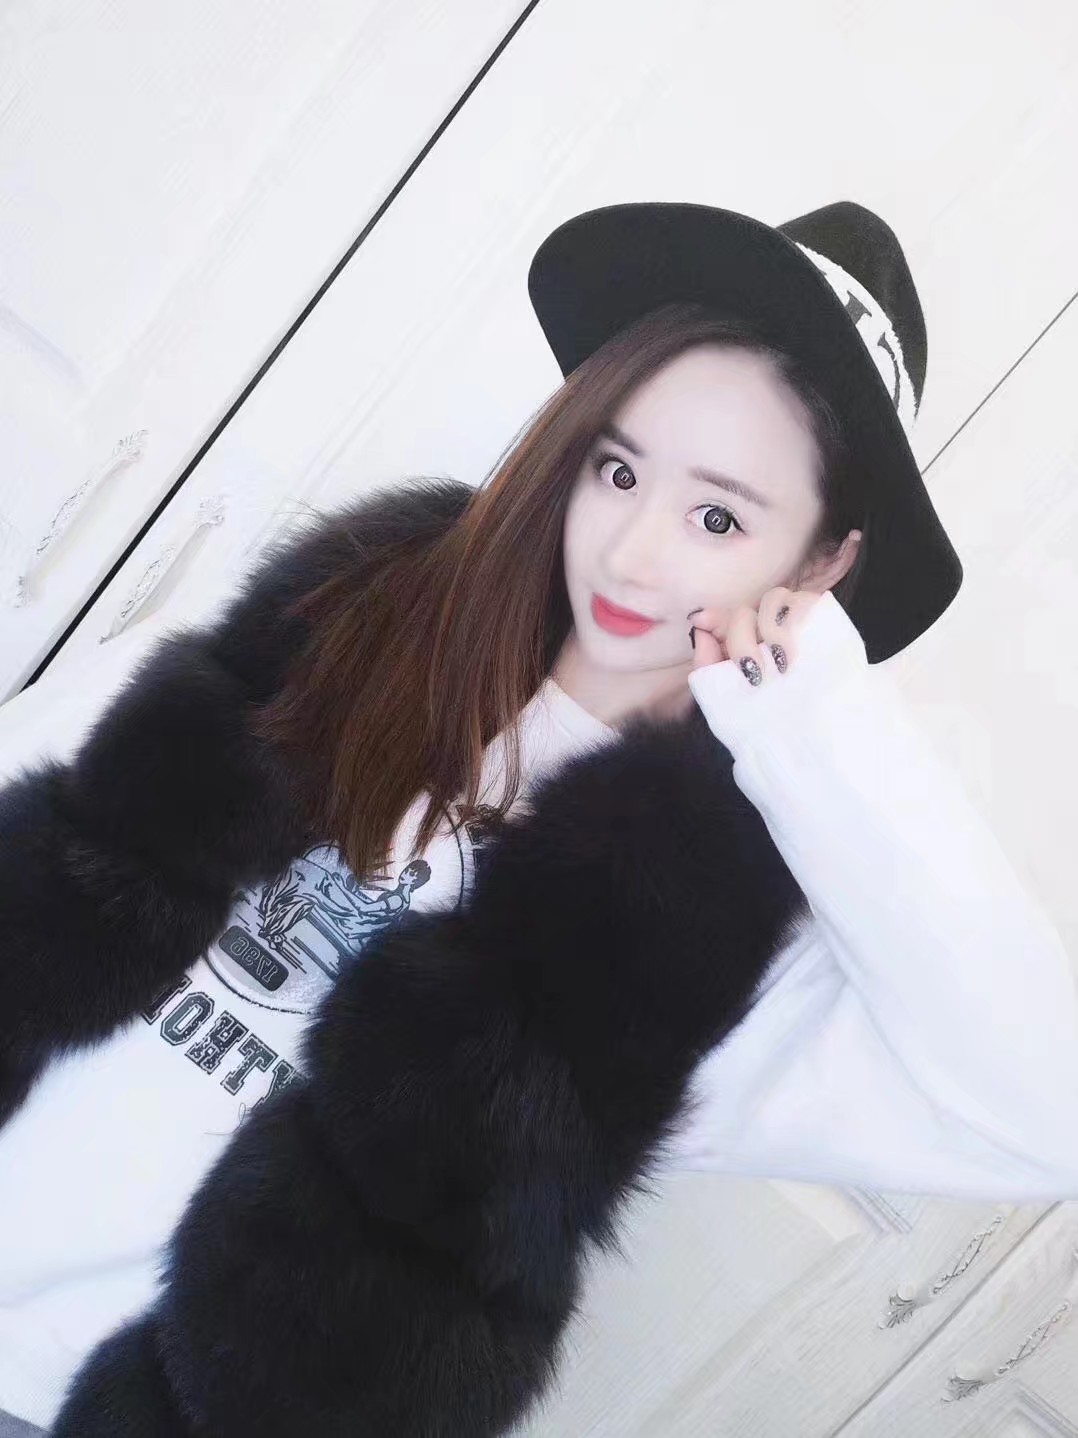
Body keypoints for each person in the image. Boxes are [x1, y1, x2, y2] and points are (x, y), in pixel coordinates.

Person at [1, 201, 1075, 1436]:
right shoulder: (340, 620)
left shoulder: (704, 939)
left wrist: (814, 709)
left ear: (822, 565)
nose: (629, 554)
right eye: (618, 470)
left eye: (717, 517)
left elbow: (1049, 1113)